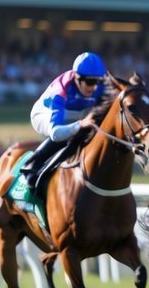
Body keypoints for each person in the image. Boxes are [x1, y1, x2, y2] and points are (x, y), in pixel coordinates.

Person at [20, 51, 107, 193]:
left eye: (98, 82)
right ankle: (32, 167)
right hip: (45, 113)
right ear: (77, 79)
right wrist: (80, 124)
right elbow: (55, 133)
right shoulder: (61, 91)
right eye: (91, 82)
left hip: (77, 113)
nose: (95, 87)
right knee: (67, 134)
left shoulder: (100, 84)